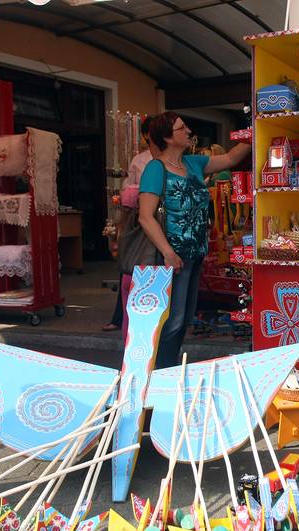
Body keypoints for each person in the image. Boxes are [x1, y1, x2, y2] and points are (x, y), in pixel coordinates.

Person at [138, 112, 250, 369]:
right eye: (181, 128)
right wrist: (167, 252)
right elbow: (146, 217)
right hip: (173, 256)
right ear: (167, 137)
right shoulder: (156, 169)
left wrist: (253, 133)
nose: (188, 131)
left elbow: (231, 158)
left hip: (196, 252)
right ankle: (160, 374)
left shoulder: (193, 163)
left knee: (185, 318)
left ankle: (168, 370)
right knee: (172, 319)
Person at [103, 116, 157, 333]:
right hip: (140, 218)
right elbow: (129, 191)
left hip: (160, 219)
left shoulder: (176, 159)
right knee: (131, 269)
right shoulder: (139, 160)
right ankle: (122, 318)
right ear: (146, 135)